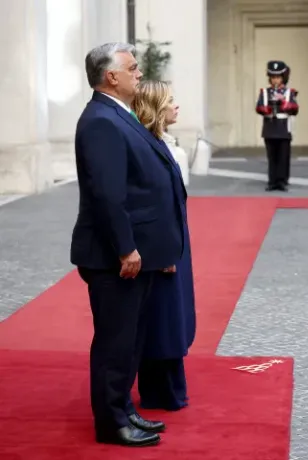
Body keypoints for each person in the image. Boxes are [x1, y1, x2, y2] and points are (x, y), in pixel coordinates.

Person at [71, 42, 185, 447]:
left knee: (131, 340)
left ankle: (125, 409)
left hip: (136, 253)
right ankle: (111, 423)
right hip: (114, 257)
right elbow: (107, 195)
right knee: (115, 342)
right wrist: (125, 248)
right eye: (133, 68)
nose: (140, 74)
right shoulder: (101, 120)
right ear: (111, 77)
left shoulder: (120, 114)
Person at [131, 80, 196, 411]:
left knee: (176, 312)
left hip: (177, 240)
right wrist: (164, 251)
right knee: (163, 315)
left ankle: (169, 387)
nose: (176, 106)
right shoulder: (151, 149)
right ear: (157, 108)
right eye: (170, 101)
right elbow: (154, 205)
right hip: (164, 245)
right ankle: (162, 390)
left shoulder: (173, 148)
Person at [255, 60, 299, 191]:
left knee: (283, 156)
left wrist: (286, 104)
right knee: (272, 156)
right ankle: (272, 181)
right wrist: (266, 108)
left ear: (283, 78)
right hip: (270, 127)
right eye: (273, 77)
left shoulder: (288, 92)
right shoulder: (264, 92)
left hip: (284, 127)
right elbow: (258, 107)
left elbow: (295, 109)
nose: (275, 80)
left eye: (278, 77)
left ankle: (282, 180)